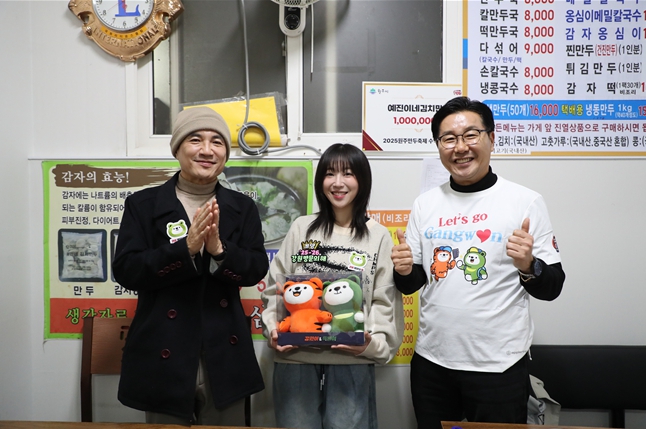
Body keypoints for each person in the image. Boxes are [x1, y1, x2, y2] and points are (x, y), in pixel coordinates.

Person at [391, 96, 565, 429]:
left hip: (499, 366)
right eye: (448, 139)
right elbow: (411, 284)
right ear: (439, 146)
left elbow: (553, 286)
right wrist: (404, 270)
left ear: (491, 138)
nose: (460, 147)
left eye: (471, 135)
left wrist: (529, 265)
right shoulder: (425, 204)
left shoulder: (524, 201)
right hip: (432, 362)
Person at [112, 107, 268, 426]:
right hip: (163, 353)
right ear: (178, 149)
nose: (207, 150)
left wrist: (220, 251)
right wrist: (185, 250)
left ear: (225, 154)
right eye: (195, 140)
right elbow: (127, 269)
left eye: (217, 142)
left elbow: (255, 268)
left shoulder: (242, 207)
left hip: (224, 353)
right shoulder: (143, 205)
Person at [261, 143, 404, 429]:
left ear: (362, 180)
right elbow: (274, 289)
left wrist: (372, 345)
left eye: (348, 173)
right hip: (296, 359)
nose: (338, 183)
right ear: (320, 181)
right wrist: (273, 330)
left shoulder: (378, 235)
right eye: (329, 174)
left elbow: (383, 300)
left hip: (352, 359)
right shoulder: (301, 228)